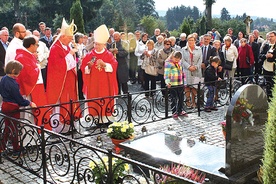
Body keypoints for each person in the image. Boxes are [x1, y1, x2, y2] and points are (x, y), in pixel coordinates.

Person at [46, 18, 80, 131]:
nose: (71, 40)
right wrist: (70, 54)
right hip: (61, 80)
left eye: (71, 38)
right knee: (63, 101)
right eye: (69, 38)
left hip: (69, 79)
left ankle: (71, 123)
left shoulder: (67, 46)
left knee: (71, 100)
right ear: (62, 37)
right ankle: (61, 127)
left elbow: (71, 62)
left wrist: (73, 53)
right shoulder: (55, 48)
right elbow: (58, 66)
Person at [81, 24, 118, 123]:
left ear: (103, 45)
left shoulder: (108, 55)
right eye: (95, 44)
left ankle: (106, 119)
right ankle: (96, 119)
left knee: (105, 100)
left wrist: (105, 64)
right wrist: (88, 67)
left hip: (105, 83)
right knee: (95, 100)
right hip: (93, 84)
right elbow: (83, 68)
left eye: (98, 44)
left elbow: (114, 66)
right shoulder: (90, 55)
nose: (96, 46)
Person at [0, 60, 36, 156]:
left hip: (5, 104)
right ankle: (16, 149)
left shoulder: (3, 79)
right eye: (19, 71)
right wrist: (29, 102)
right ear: (13, 70)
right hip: (12, 106)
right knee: (13, 128)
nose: (19, 73)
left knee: (7, 127)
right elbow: (19, 100)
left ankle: (2, 147)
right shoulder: (13, 84)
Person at [15, 36, 50, 129]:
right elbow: (28, 75)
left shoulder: (27, 55)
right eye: (36, 45)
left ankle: (35, 132)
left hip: (34, 87)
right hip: (28, 90)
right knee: (28, 116)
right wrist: (38, 67)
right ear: (31, 45)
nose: (37, 47)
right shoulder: (22, 56)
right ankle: (28, 137)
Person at [164, 51, 188, 119]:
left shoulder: (179, 64)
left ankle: (180, 110)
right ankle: (174, 112)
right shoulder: (168, 64)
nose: (177, 59)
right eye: (176, 58)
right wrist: (168, 82)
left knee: (181, 98)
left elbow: (182, 73)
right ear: (172, 56)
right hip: (173, 84)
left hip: (180, 83)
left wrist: (185, 82)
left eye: (179, 58)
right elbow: (166, 74)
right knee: (173, 98)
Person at [182, 34, 202, 109]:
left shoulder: (199, 49)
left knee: (195, 86)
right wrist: (189, 67)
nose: (191, 41)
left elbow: (200, 60)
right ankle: (188, 101)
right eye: (189, 40)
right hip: (187, 70)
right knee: (187, 86)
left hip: (196, 71)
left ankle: (194, 102)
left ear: (195, 41)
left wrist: (196, 67)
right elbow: (182, 60)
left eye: (192, 40)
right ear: (187, 41)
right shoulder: (183, 49)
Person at [259, 31, 276, 100]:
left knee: (273, 86)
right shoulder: (266, 45)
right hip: (266, 68)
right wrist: (266, 56)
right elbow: (260, 56)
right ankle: (268, 99)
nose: (270, 38)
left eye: (272, 36)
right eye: (269, 37)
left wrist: (273, 56)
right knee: (267, 85)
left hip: (273, 69)